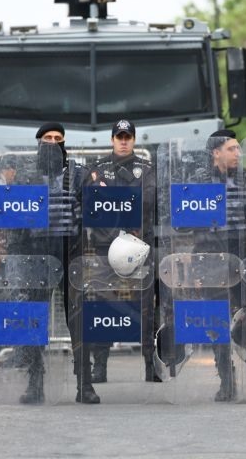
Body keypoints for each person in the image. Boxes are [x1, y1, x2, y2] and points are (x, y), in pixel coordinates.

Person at [192, 129, 246, 403]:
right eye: (231, 148)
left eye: (239, 148)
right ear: (216, 153)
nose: (238, 153)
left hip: (245, 257)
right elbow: (182, 220)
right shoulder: (199, 182)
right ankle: (226, 380)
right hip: (211, 258)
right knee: (216, 320)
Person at [18, 122, 98, 404]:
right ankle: (35, 382)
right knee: (33, 319)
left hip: (70, 252)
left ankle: (84, 384)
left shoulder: (77, 174)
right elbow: (16, 222)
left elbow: (90, 214)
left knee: (78, 319)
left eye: (58, 139)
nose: (53, 143)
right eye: (48, 138)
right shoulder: (27, 177)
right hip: (37, 255)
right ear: (38, 142)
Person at [85, 119, 158, 383]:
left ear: (134, 140)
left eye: (128, 136)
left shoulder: (147, 168)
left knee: (146, 305)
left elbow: (148, 200)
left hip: (139, 246)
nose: (124, 141)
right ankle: (99, 365)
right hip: (105, 246)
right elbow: (92, 199)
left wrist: (115, 191)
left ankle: (151, 364)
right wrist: (128, 195)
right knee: (101, 303)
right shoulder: (97, 168)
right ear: (112, 139)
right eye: (119, 137)